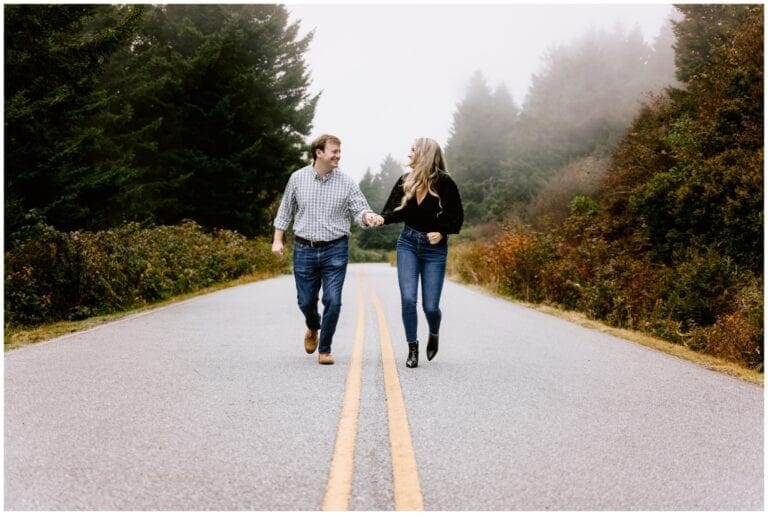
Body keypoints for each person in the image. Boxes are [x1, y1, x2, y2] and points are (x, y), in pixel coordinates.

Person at [272, 134, 380, 365]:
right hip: (304, 248)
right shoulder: (297, 178)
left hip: (335, 248)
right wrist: (277, 240)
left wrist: (368, 217)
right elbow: (285, 211)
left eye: (339, 152)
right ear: (318, 153)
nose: (338, 156)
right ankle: (312, 326)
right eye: (334, 152)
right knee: (305, 301)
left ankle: (325, 348)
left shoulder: (347, 182)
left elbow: (360, 209)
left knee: (333, 300)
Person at [374, 137, 464, 368]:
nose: (409, 153)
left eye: (413, 150)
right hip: (408, 244)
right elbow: (393, 212)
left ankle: (434, 332)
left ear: (423, 154)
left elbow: (457, 218)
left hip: (434, 250)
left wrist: (442, 232)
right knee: (408, 299)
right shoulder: (405, 181)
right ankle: (412, 348)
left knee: (430, 307)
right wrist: (378, 218)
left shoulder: (445, 183)